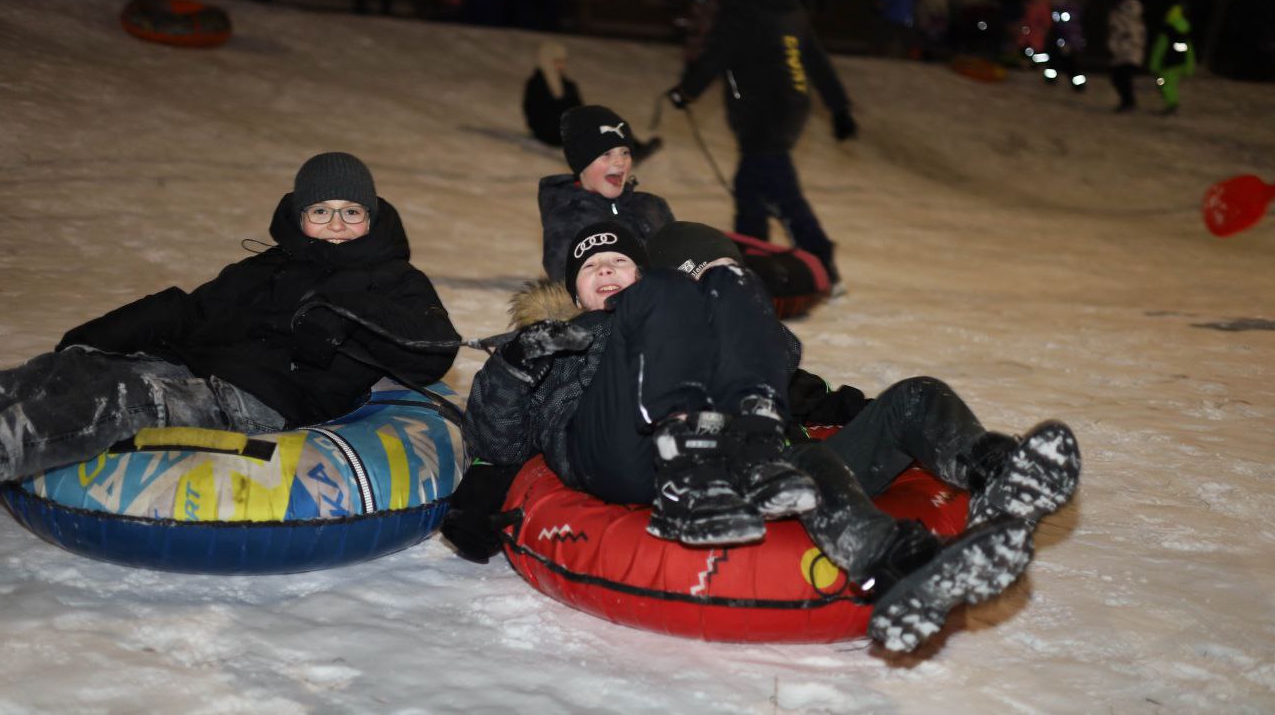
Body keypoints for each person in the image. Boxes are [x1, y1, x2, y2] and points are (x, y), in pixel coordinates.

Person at [444, 222, 1055, 654]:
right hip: (614, 453)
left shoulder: (685, 314)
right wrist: (519, 361)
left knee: (904, 402)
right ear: (574, 289)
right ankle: (693, 464)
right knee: (669, 303)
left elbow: (786, 367)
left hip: (729, 455)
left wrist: (727, 298)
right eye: (590, 268)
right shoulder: (556, 341)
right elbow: (496, 443)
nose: (605, 271)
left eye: (619, 262)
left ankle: (931, 540)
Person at [643, 221, 1081, 652]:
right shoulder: (660, 361)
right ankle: (900, 569)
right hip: (745, 488)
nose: (732, 287)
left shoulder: (753, 348)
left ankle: (999, 480)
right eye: (713, 274)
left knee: (916, 394)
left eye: (735, 273)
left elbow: (819, 398)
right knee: (807, 460)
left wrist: (892, 418)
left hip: (817, 474)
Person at [0, 152, 459, 483]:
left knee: (131, 397)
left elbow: (433, 348)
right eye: (321, 211)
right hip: (200, 368)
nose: (336, 225)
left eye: (351, 212)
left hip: (267, 399)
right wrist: (90, 341)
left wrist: (347, 309)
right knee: (71, 370)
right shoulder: (269, 265)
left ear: (371, 216)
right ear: (300, 216)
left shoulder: (394, 278)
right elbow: (194, 312)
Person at [665, 0, 855, 294]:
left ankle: (819, 269)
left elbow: (715, 57)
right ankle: (753, 272)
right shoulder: (790, 8)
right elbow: (816, 60)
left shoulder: (740, 9)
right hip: (791, 109)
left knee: (780, 194)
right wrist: (840, 108)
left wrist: (685, 92)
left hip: (760, 113)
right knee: (752, 191)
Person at [538, 105, 672, 280]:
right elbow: (572, 284)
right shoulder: (568, 221)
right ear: (582, 164)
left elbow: (681, 258)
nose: (620, 162)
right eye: (606, 154)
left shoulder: (652, 206)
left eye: (625, 152)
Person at [522, 40, 582, 146]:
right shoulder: (536, 84)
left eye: (563, 62)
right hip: (546, 134)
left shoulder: (568, 85)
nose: (561, 66)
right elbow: (533, 111)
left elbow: (579, 110)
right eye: (557, 62)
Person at [1148, 4, 1196, 114]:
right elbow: (1189, 52)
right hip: (1179, 66)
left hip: (1166, 66)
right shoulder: (1184, 33)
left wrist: (1153, 65)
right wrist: (1189, 66)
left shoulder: (1167, 32)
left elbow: (1159, 49)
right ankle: (1172, 103)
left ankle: (1172, 104)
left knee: (1162, 83)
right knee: (1169, 84)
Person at [1107, 0, 1146, 112]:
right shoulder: (1119, 19)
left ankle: (1128, 102)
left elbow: (1135, 40)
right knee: (1117, 78)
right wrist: (1114, 48)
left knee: (1123, 78)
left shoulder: (1136, 24)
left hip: (1130, 56)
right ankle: (1127, 102)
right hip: (1122, 55)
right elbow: (1114, 36)